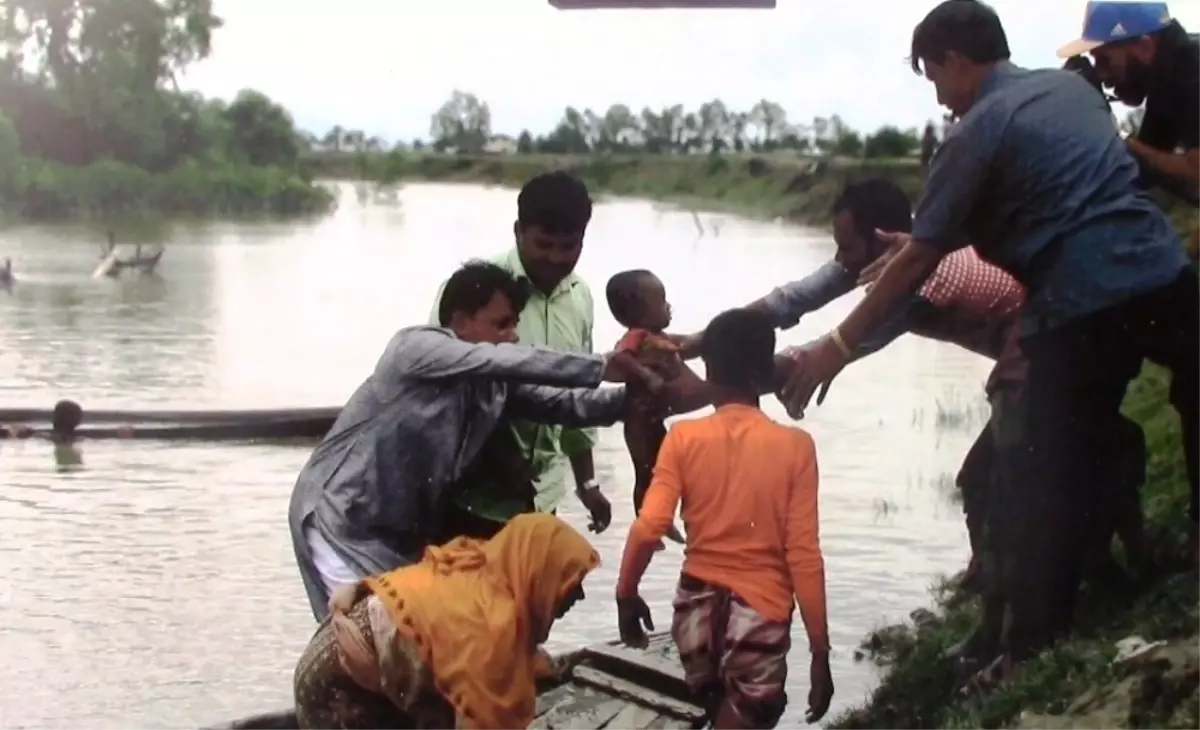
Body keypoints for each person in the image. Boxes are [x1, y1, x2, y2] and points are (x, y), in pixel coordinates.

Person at [781, 0, 1200, 669]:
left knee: (1041, 473)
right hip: (1159, 270)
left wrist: (834, 347)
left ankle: (1031, 644)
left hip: (1077, 304)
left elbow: (922, 257)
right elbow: (1043, 193)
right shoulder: (1071, 90)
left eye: (934, 77)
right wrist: (914, 248)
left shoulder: (976, 131)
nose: (941, 96)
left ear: (954, 59)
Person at [290, 259, 651, 622]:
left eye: (514, 324)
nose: (512, 335)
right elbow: (497, 358)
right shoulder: (415, 347)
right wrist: (601, 366)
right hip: (340, 516)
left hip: (396, 534)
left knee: (414, 639)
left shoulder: (493, 384)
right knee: (367, 638)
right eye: (501, 324)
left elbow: (565, 405)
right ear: (460, 322)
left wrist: (639, 398)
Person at [615, 308, 833, 729]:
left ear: (708, 369)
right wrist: (820, 653)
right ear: (767, 373)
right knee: (755, 712)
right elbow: (804, 556)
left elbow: (649, 525)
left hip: (695, 616)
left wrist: (626, 594)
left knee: (719, 709)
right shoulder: (795, 447)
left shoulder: (683, 438)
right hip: (759, 617)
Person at [428, 171, 613, 540]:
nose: (555, 258)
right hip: (467, 502)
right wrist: (500, 459)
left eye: (569, 246)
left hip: (541, 500)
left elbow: (576, 401)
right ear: (518, 232)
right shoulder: (474, 291)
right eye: (543, 244)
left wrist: (587, 482)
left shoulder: (580, 298)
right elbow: (440, 391)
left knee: (534, 597)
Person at [290, 513, 599, 730]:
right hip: (334, 686)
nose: (580, 596)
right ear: (537, 577)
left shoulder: (480, 567)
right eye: (570, 584)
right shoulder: (488, 628)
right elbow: (483, 720)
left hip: (336, 651)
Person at [1057, 2, 1200, 205]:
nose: (1102, 76)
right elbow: (1141, 172)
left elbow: (1196, 178)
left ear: (1145, 47)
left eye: (1105, 60)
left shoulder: (1193, 73)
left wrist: (1116, 134)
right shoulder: (1167, 82)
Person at [606, 269, 686, 547]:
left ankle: (661, 519)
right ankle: (645, 526)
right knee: (644, 472)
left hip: (655, 420)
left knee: (664, 469)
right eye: (661, 301)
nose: (668, 306)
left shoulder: (659, 335)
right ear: (639, 313)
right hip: (638, 421)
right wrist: (646, 374)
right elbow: (621, 357)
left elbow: (684, 343)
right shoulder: (637, 336)